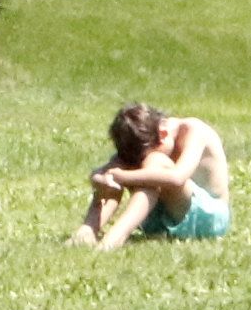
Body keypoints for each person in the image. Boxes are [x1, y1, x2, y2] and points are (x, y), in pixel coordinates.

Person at [73, 101, 229, 248]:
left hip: (208, 219)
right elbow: (105, 172)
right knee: (121, 171)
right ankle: (88, 229)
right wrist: (103, 180)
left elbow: (177, 178)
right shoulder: (141, 143)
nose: (143, 162)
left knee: (156, 163)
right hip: (161, 219)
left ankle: (114, 239)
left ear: (163, 133)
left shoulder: (194, 131)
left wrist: (123, 176)